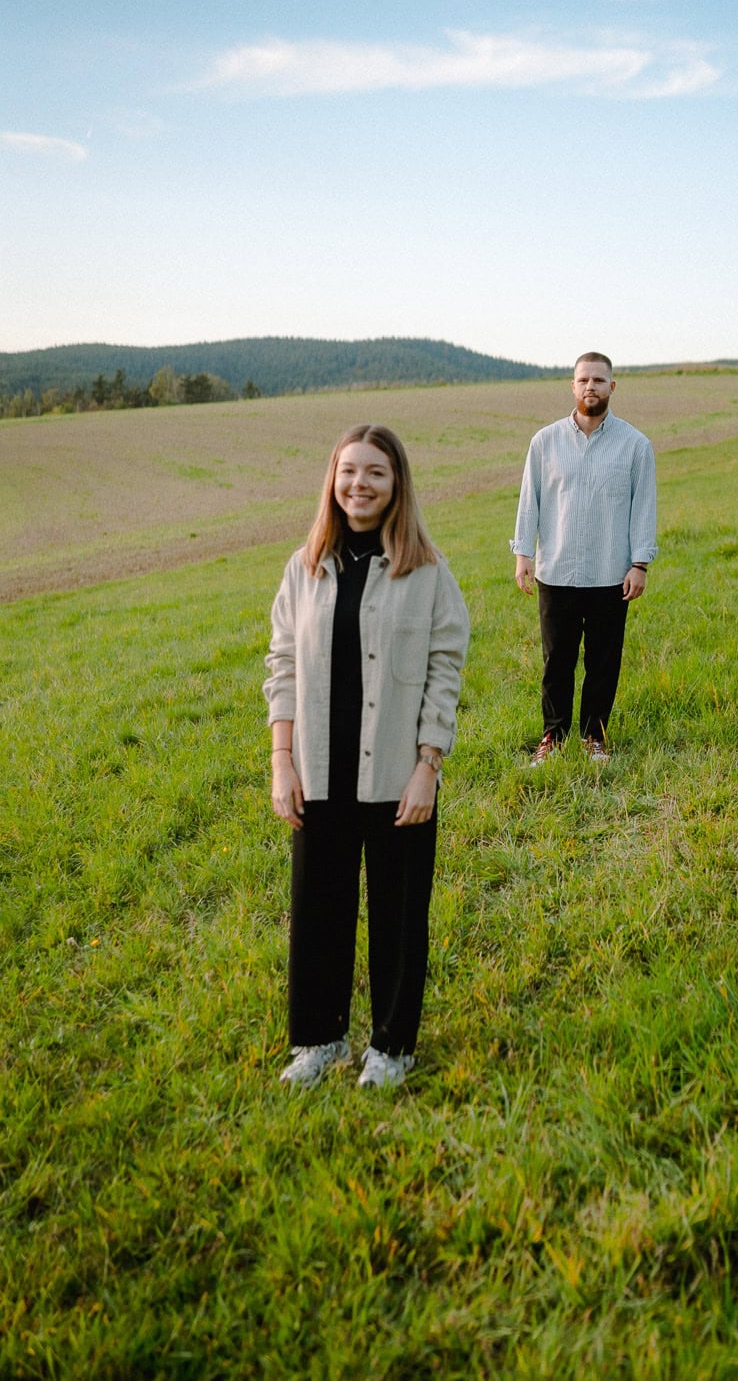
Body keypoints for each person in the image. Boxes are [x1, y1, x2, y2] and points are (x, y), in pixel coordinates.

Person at [264, 424, 469, 1090]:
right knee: (318, 908)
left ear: (397, 483)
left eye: (375, 472)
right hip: (318, 772)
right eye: (348, 471)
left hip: (395, 775)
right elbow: (282, 667)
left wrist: (427, 766)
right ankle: (319, 1040)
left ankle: (392, 1046)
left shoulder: (430, 572)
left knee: (398, 915)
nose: (359, 484)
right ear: (332, 480)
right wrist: (281, 760)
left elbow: (446, 670)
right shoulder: (305, 567)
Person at [511, 351, 657, 764]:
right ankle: (552, 738)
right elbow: (530, 501)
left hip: (611, 572)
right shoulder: (545, 442)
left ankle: (594, 737)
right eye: (583, 380)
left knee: (603, 662)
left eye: (598, 380)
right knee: (556, 661)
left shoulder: (635, 445)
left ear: (613, 386)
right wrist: (523, 553)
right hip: (556, 570)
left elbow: (643, 507)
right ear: (573, 387)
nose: (590, 386)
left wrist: (640, 563)